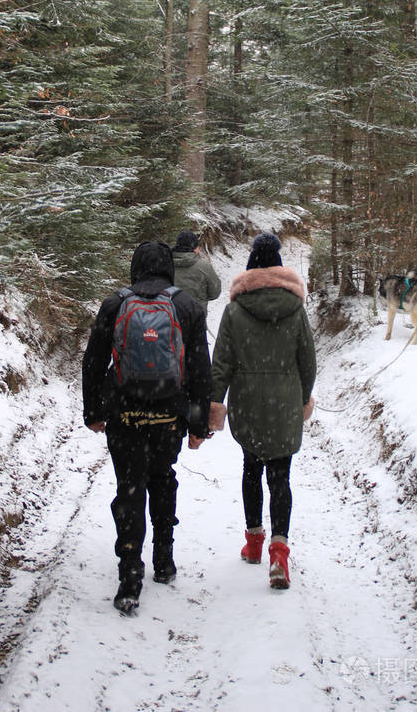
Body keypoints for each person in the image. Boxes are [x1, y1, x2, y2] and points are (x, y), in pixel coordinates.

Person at [82, 241, 211, 615]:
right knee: (162, 477)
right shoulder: (185, 305)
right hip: (170, 411)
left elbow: (93, 361)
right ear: (168, 267)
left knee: (129, 487)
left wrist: (93, 410)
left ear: (135, 266)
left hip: (124, 413)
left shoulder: (115, 304)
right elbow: (199, 367)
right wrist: (198, 422)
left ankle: (129, 574)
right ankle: (164, 559)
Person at [209, 232, 316, 590]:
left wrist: (214, 403)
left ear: (251, 265)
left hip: (249, 401)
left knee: (251, 469)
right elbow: (308, 362)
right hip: (284, 401)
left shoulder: (236, 310)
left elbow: (221, 362)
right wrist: (304, 397)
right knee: (281, 476)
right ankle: (279, 553)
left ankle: (254, 544)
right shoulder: (296, 309)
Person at [172, 230, 222, 316]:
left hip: (170, 317)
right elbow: (215, 293)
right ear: (195, 248)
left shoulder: (166, 264)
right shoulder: (204, 266)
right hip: (196, 317)